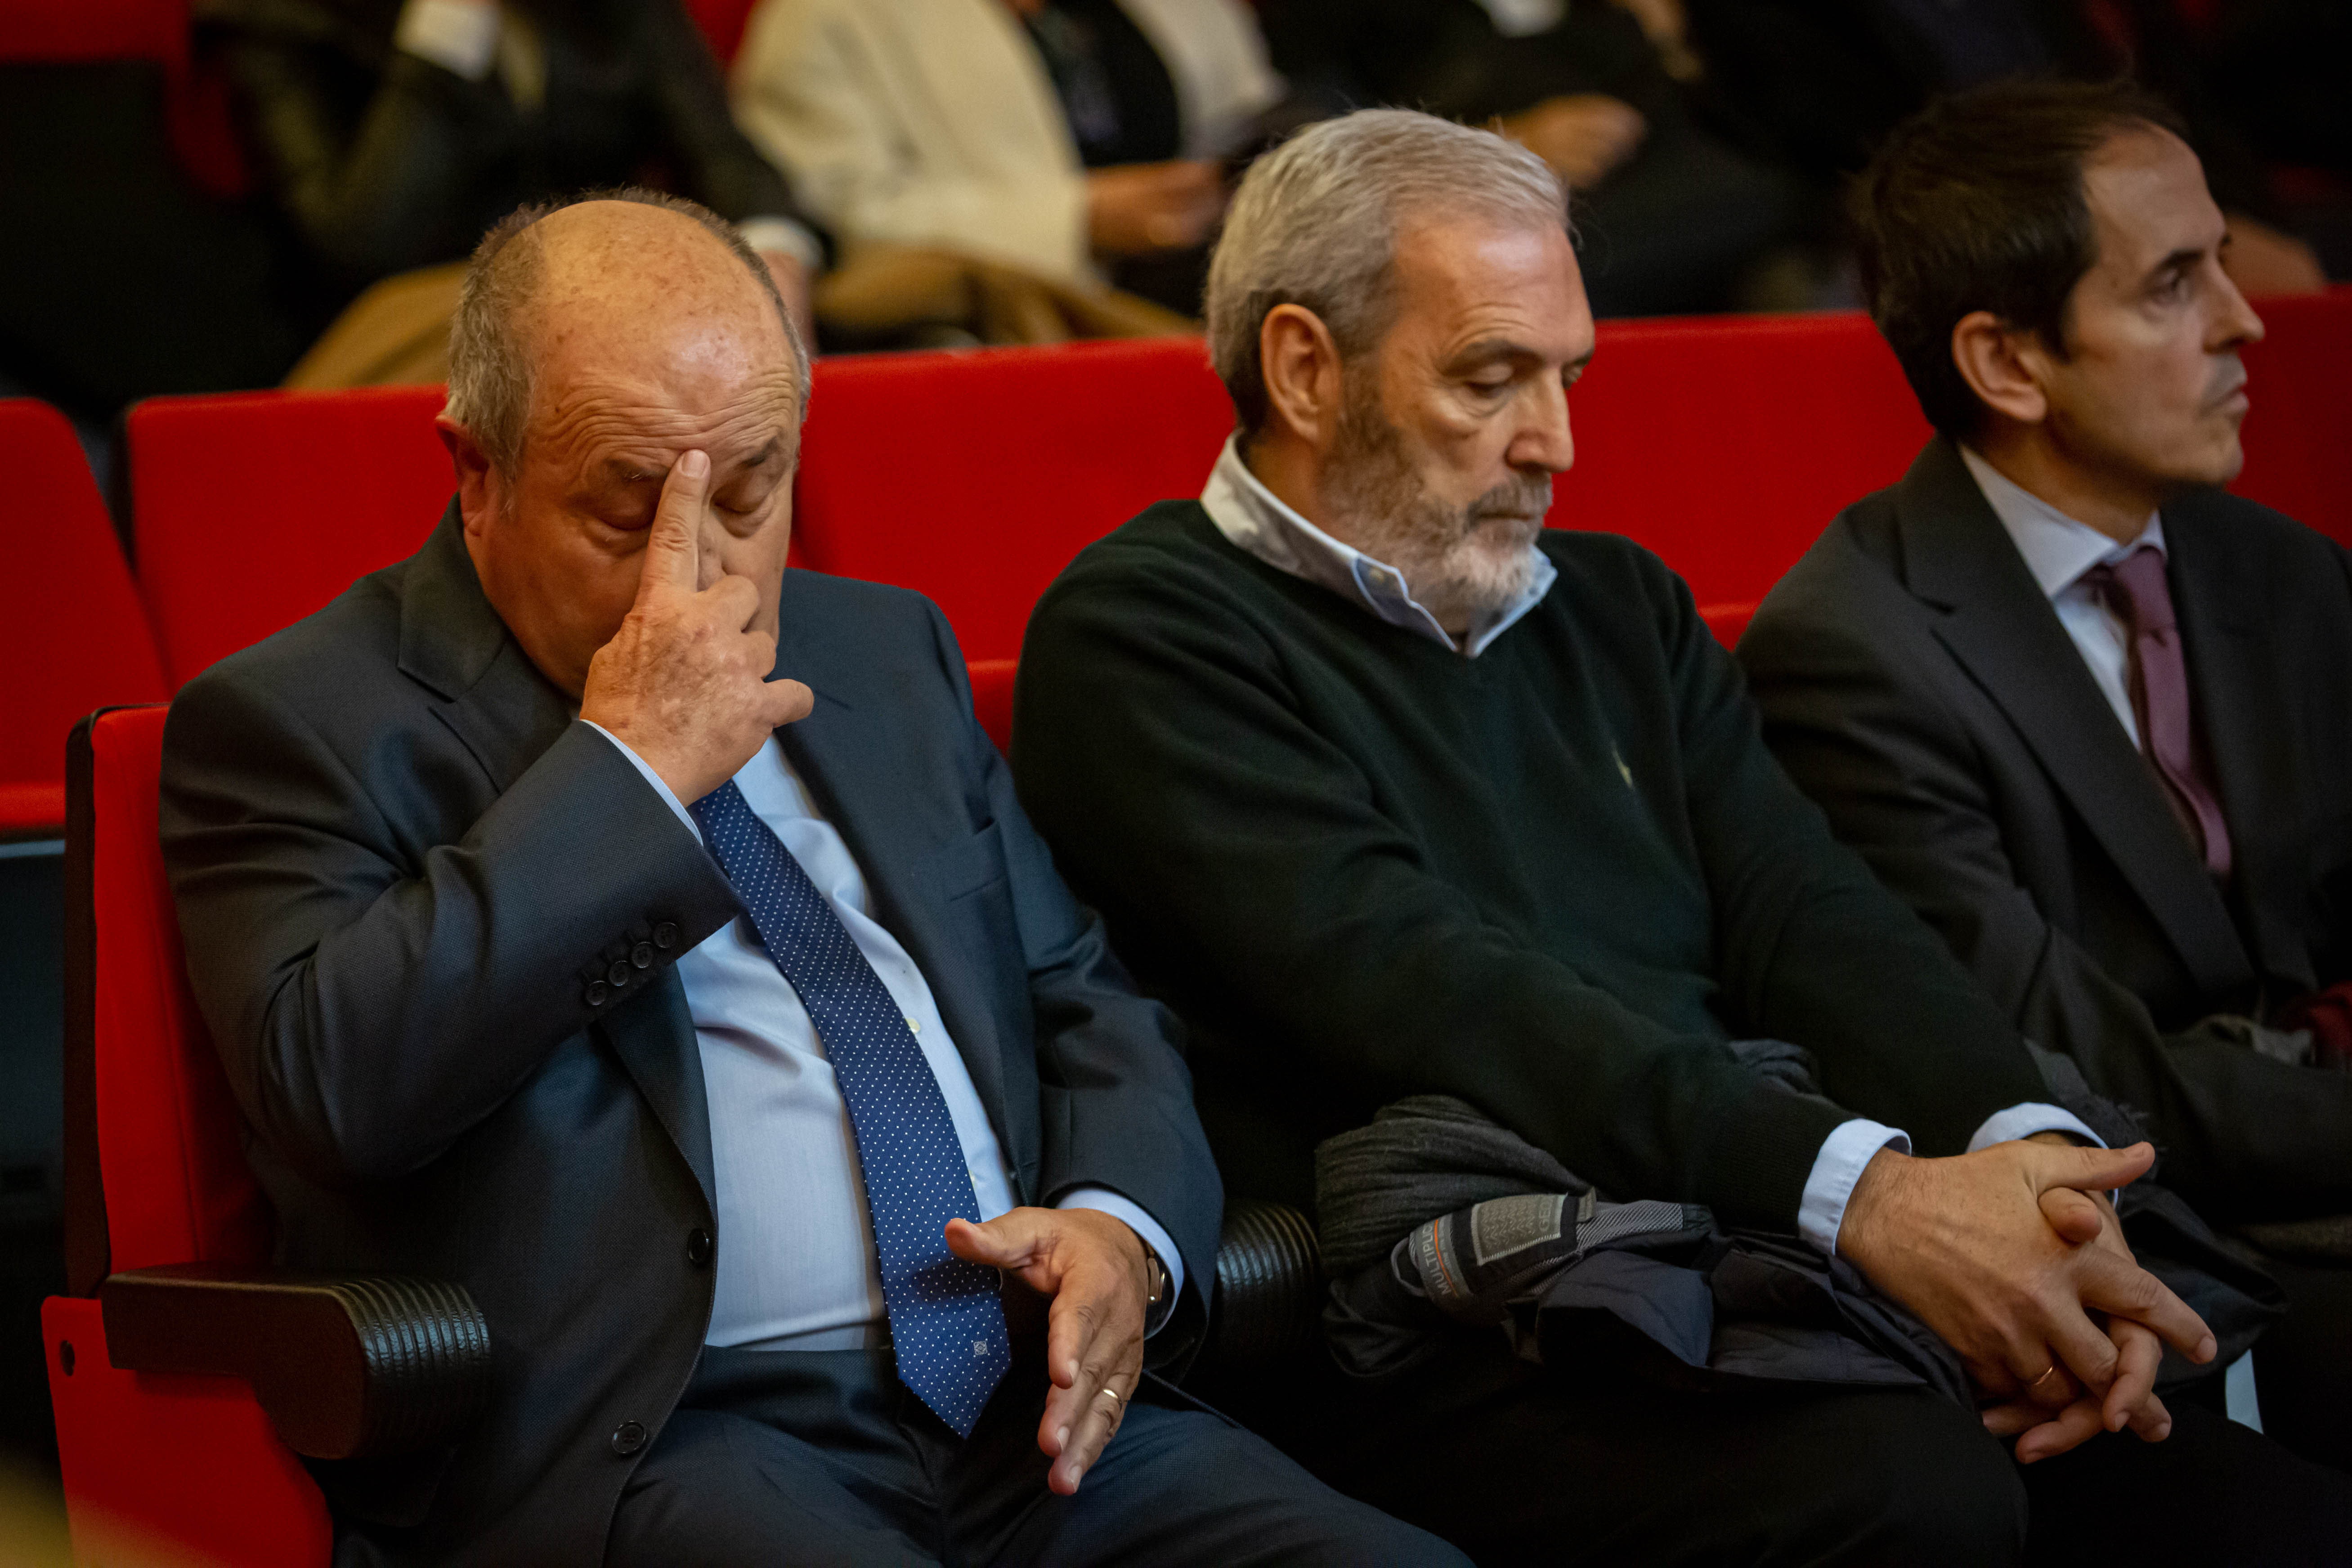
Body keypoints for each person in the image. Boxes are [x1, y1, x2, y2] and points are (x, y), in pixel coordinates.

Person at [1010, 108, 2352, 1562]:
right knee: (1915, 1490)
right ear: (1300, 366)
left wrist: (2021, 1163)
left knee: (2251, 1506)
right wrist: (1865, 1193)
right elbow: (1433, 988)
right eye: (1488, 378)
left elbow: (1807, 914)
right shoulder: (1142, 630)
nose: (1556, 442)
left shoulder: (1613, 601)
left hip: (1736, 1226)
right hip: (1455, 1303)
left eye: (1566, 374)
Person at [158, 189, 1462, 1568]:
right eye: (626, 508)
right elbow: (340, 1090)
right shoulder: (300, 722)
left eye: (750, 491)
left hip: (1035, 1417)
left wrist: (1116, 1231)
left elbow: (1082, 999)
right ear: (475, 470)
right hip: (667, 1441)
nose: (701, 565)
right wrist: (630, 771)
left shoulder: (884, 652)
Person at [1739, 79, 2352, 1473]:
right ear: (2010, 364)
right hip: (2175, 1233)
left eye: (2227, 262)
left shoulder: (2281, 568)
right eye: (2175, 285)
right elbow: (2078, 1069)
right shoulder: (1851, 653)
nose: (2246, 320)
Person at [198, 0, 824, 376]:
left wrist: (771, 255)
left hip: (614, 320)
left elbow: (721, 150)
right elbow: (360, 241)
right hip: (407, 334)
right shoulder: (275, 12)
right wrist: (449, 26)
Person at [730, 0, 1287, 322]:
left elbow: (1249, 111)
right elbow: (838, 210)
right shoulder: (827, 14)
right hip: (1029, 324)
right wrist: (1082, 217)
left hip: (1222, 274)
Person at [1254, 0, 1811, 316]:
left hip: (1649, 165)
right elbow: (1303, 144)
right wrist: (1491, 146)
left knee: (1772, 228)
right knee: (1773, 205)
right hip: (1469, 210)